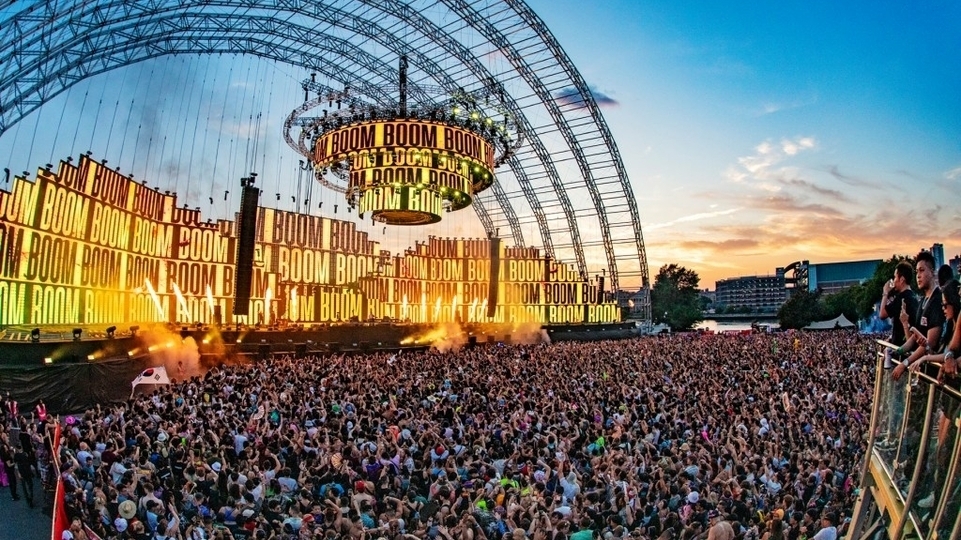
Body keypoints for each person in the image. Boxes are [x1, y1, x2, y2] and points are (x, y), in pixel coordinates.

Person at [880, 261, 918, 369]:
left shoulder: (902, 298)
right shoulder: (913, 297)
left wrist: (885, 293)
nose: (894, 281)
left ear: (902, 279)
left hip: (901, 353)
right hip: (906, 348)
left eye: (895, 277)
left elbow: (882, 314)